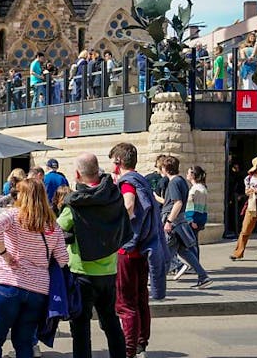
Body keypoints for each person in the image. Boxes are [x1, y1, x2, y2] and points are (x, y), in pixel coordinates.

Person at [0, 179, 68, 358]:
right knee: (24, 343)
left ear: (24, 195)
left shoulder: (14, 214)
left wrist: (5, 254)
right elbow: (62, 259)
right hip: (38, 290)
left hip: (7, 283)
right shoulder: (53, 224)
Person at [56, 152, 129, 358]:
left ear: (78, 174)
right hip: (109, 270)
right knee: (111, 322)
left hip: (82, 272)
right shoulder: (114, 196)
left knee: (80, 326)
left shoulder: (75, 204)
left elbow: (57, 230)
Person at [111, 142, 162, 358]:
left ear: (118, 162)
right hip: (142, 248)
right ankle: (141, 340)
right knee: (140, 298)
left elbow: (129, 204)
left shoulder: (128, 182)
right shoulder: (141, 180)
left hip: (128, 250)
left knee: (125, 303)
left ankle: (129, 349)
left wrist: (114, 221)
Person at [160, 157, 212, 288]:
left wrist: (169, 221)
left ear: (165, 169)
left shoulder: (173, 183)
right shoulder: (181, 180)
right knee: (184, 251)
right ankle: (203, 276)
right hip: (180, 222)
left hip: (174, 222)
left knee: (166, 252)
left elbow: (177, 203)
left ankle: (159, 283)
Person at [229, 156, 257, 261]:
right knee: (245, 230)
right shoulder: (249, 178)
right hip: (253, 204)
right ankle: (237, 253)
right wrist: (251, 191)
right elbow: (246, 191)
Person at [186, 166, 208, 243]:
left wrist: (191, 220)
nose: (186, 174)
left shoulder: (197, 189)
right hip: (197, 219)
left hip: (194, 220)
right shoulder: (200, 188)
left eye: (188, 173)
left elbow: (195, 206)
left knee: (192, 244)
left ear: (193, 175)